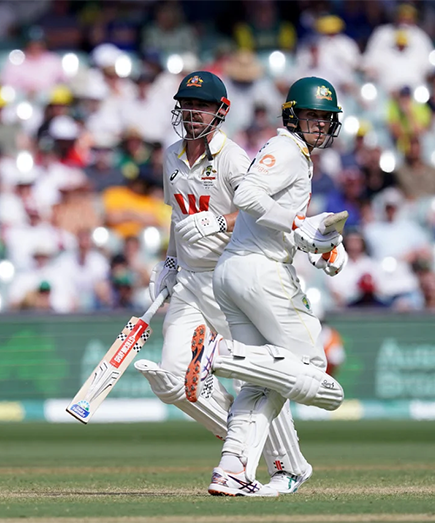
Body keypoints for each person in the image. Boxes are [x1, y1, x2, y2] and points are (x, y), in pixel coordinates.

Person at [131, 71, 314, 497]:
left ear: (221, 111)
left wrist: (218, 221)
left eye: (202, 106)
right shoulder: (171, 157)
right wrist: (170, 260)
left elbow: (255, 209)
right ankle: (244, 444)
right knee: (173, 381)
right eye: (187, 104)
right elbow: (178, 217)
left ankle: (287, 466)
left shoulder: (233, 159)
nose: (193, 113)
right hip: (189, 283)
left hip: (229, 278)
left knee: (257, 378)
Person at [183, 77, 346, 496]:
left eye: (325, 118)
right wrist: (297, 224)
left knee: (262, 382)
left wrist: (322, 246)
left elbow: (277, 220)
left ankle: (232, 468)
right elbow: (248, 195)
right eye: (311, 115)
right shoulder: (286, 149)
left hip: (236, 271)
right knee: (312, 368)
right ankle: (221, 354)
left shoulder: (297, 155)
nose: (319, 124)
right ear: (292, 116)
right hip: (262, 273)